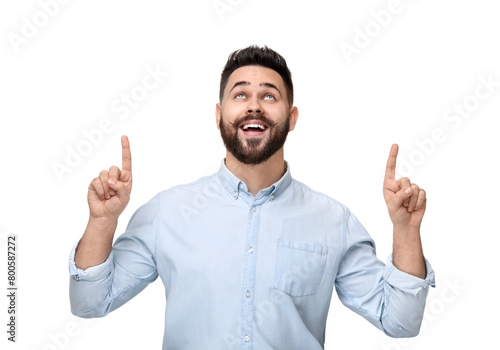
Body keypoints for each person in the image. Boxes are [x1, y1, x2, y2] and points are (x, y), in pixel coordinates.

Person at [69, 45, 435, 349]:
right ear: (219, 115)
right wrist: (102, 223)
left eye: (269, 96)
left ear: (291, 117)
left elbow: (400, 321)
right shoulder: (167, 212)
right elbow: (89, 303)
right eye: (240, 94)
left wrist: (405, 230)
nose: (254, 106)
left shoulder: (333, 221)